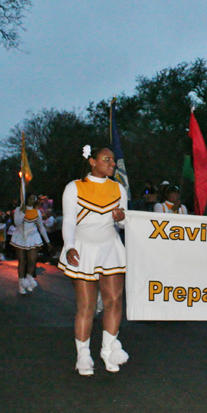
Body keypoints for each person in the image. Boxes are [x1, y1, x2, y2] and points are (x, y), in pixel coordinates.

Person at [59, 145, 128, 376]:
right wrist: (69, 246)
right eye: (106, 159)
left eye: (113, 160)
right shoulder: (74, 187)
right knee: (86, 306)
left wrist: (121, 219)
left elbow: (123, 224)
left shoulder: (119, 188)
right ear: (92, 161)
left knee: (115, 302)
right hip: (83, 248)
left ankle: (109, 351)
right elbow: (69, 221)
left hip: (110, 248)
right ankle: (83, 355)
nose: (112, 164)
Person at [11, 192, 51, 294]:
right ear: (25, 199)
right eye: (30, 198)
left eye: (34, 199)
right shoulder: (18, 210)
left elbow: (41, 227)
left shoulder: (37, 212)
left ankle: (28, 280)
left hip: (33, 237)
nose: (32, 201)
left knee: (32, 260)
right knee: (22, 261)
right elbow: (17, 223)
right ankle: (21, 284)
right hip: (20, 236)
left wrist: (48, 241)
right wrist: (23, 212)